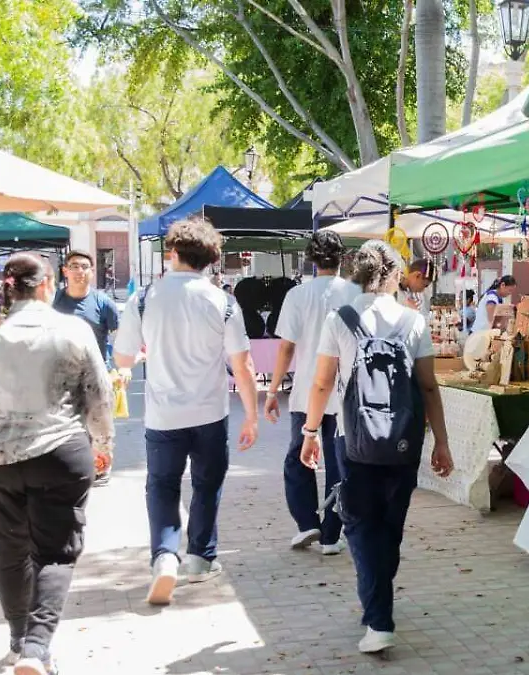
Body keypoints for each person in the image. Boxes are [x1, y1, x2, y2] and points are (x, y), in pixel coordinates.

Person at [0, 253, 114, 675]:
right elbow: (98, 393)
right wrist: (103, 443)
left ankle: (19, 641)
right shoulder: (72, 329)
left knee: (7, 549)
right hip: (59, 452)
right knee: (55, 554)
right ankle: (38, 647)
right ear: (46, 283)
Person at [301, 240, 454, 655]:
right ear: (395, 276)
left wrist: (310, 432)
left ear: (356, 274)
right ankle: (376, 602)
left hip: (353, 441)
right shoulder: (413, 321)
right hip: (404, 442)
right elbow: (427, 386)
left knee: (361, 526)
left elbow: (322, 382)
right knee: (389, 527)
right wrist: (441, 441)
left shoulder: (341, 319)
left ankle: (379, 617)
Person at [113, 216, 259, 606]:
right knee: (207, 485)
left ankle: (164, 555)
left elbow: (123, 355)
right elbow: (241, 366)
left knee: (161, 485)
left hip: (162, 416)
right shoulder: (223, 302)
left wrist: (148, 348)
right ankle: (199, 558)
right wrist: (252, 414)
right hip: (210, 413)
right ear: (209, 259)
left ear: (172, 253)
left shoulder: (143, 299)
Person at [264, 230, 358, 553]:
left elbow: (286, 349)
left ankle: (307, 523)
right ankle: (332, 534)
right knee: (338, 462)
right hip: (344, 393)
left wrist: (272, 389)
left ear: (311, 261)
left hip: (306, 391)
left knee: (297, 459)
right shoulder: (354, 294)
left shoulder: (297, 296)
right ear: (342, 258)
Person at [53, 251, 122, 486]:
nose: (79, 271)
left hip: (97, 376)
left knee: (100, 428)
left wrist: (121, 369)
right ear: (65, 271)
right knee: (65, 426)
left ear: (92, 272)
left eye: (84, 267)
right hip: (60, 375)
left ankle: (101, 469)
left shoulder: (103, 303)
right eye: (74, 266)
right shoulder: (53, 302)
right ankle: (69, 468)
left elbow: (120, 338)